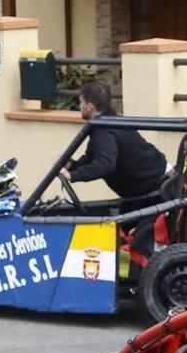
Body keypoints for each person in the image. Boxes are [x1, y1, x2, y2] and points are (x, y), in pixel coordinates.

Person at [66, 80, 170, 256]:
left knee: (114, 231)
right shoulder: (110, 122)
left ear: (90, 106)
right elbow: (93, 157)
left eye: (81, 102)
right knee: (115, 225)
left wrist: (73, 176)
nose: (79, 106)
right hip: (157, 183)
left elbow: (105, 164)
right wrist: (72, 166)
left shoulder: (104, 131)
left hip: (155, 191)